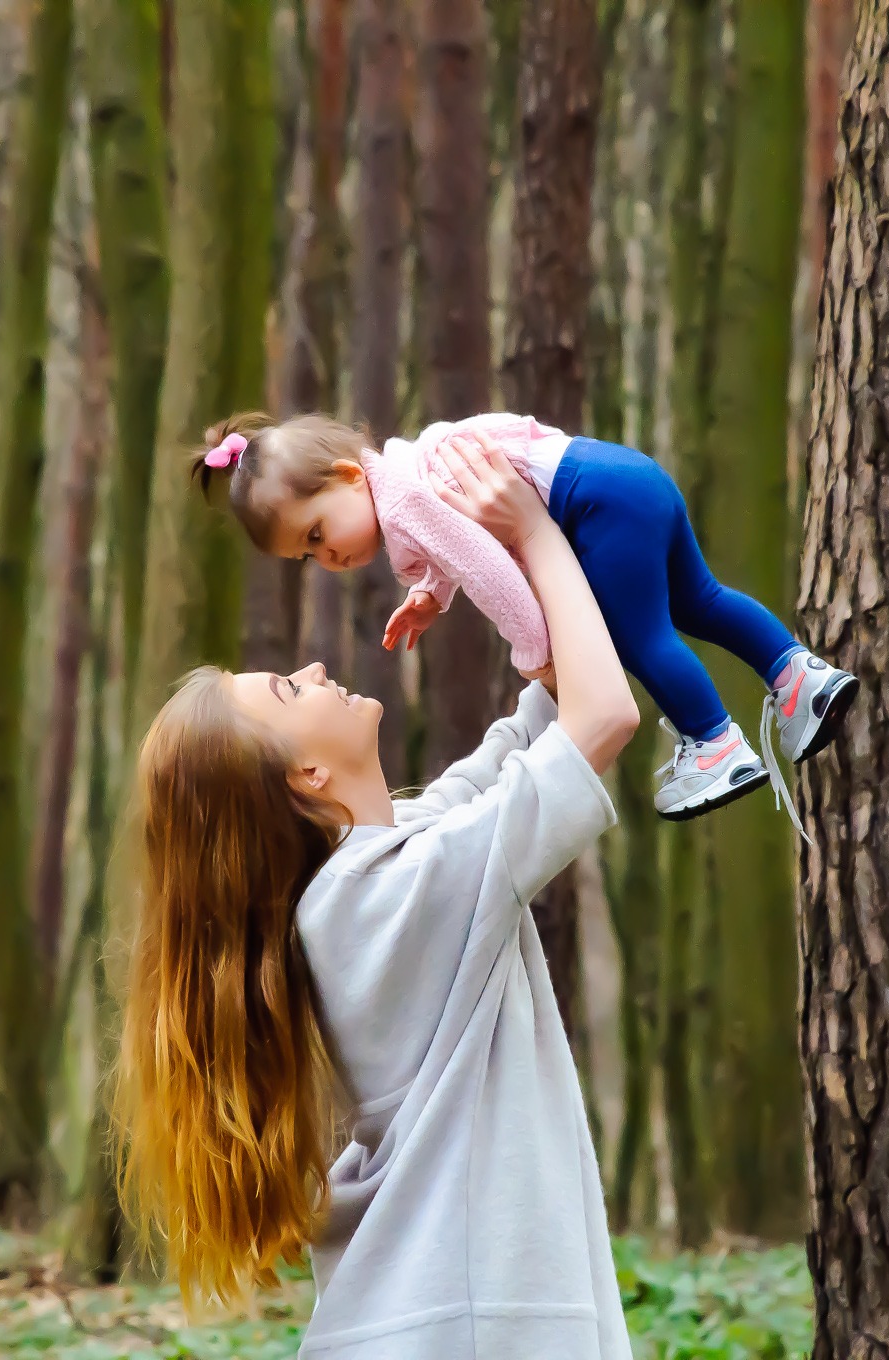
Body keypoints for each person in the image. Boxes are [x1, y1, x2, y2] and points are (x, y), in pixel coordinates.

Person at [117, 435, 643, 1359]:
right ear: (308, 774)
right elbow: (601, 717)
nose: (316, 670)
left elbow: (544, 718)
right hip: (473, 1329)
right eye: (290, 691)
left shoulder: (385, 871)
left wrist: (484, 547)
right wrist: (533, 533)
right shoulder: (381, 902)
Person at [187, 412, 856, 831]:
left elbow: (489, 569)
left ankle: (713, 744)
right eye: (308, 556)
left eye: (316, 533)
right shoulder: (406, 474)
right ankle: (799, 677)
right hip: (625, 478)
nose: (326, 557)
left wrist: (536, 652)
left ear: (345, 476)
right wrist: (432, 594)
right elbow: (459, 539)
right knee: (699, 600)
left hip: (592, 507)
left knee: (639, 636)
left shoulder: (403, 506)